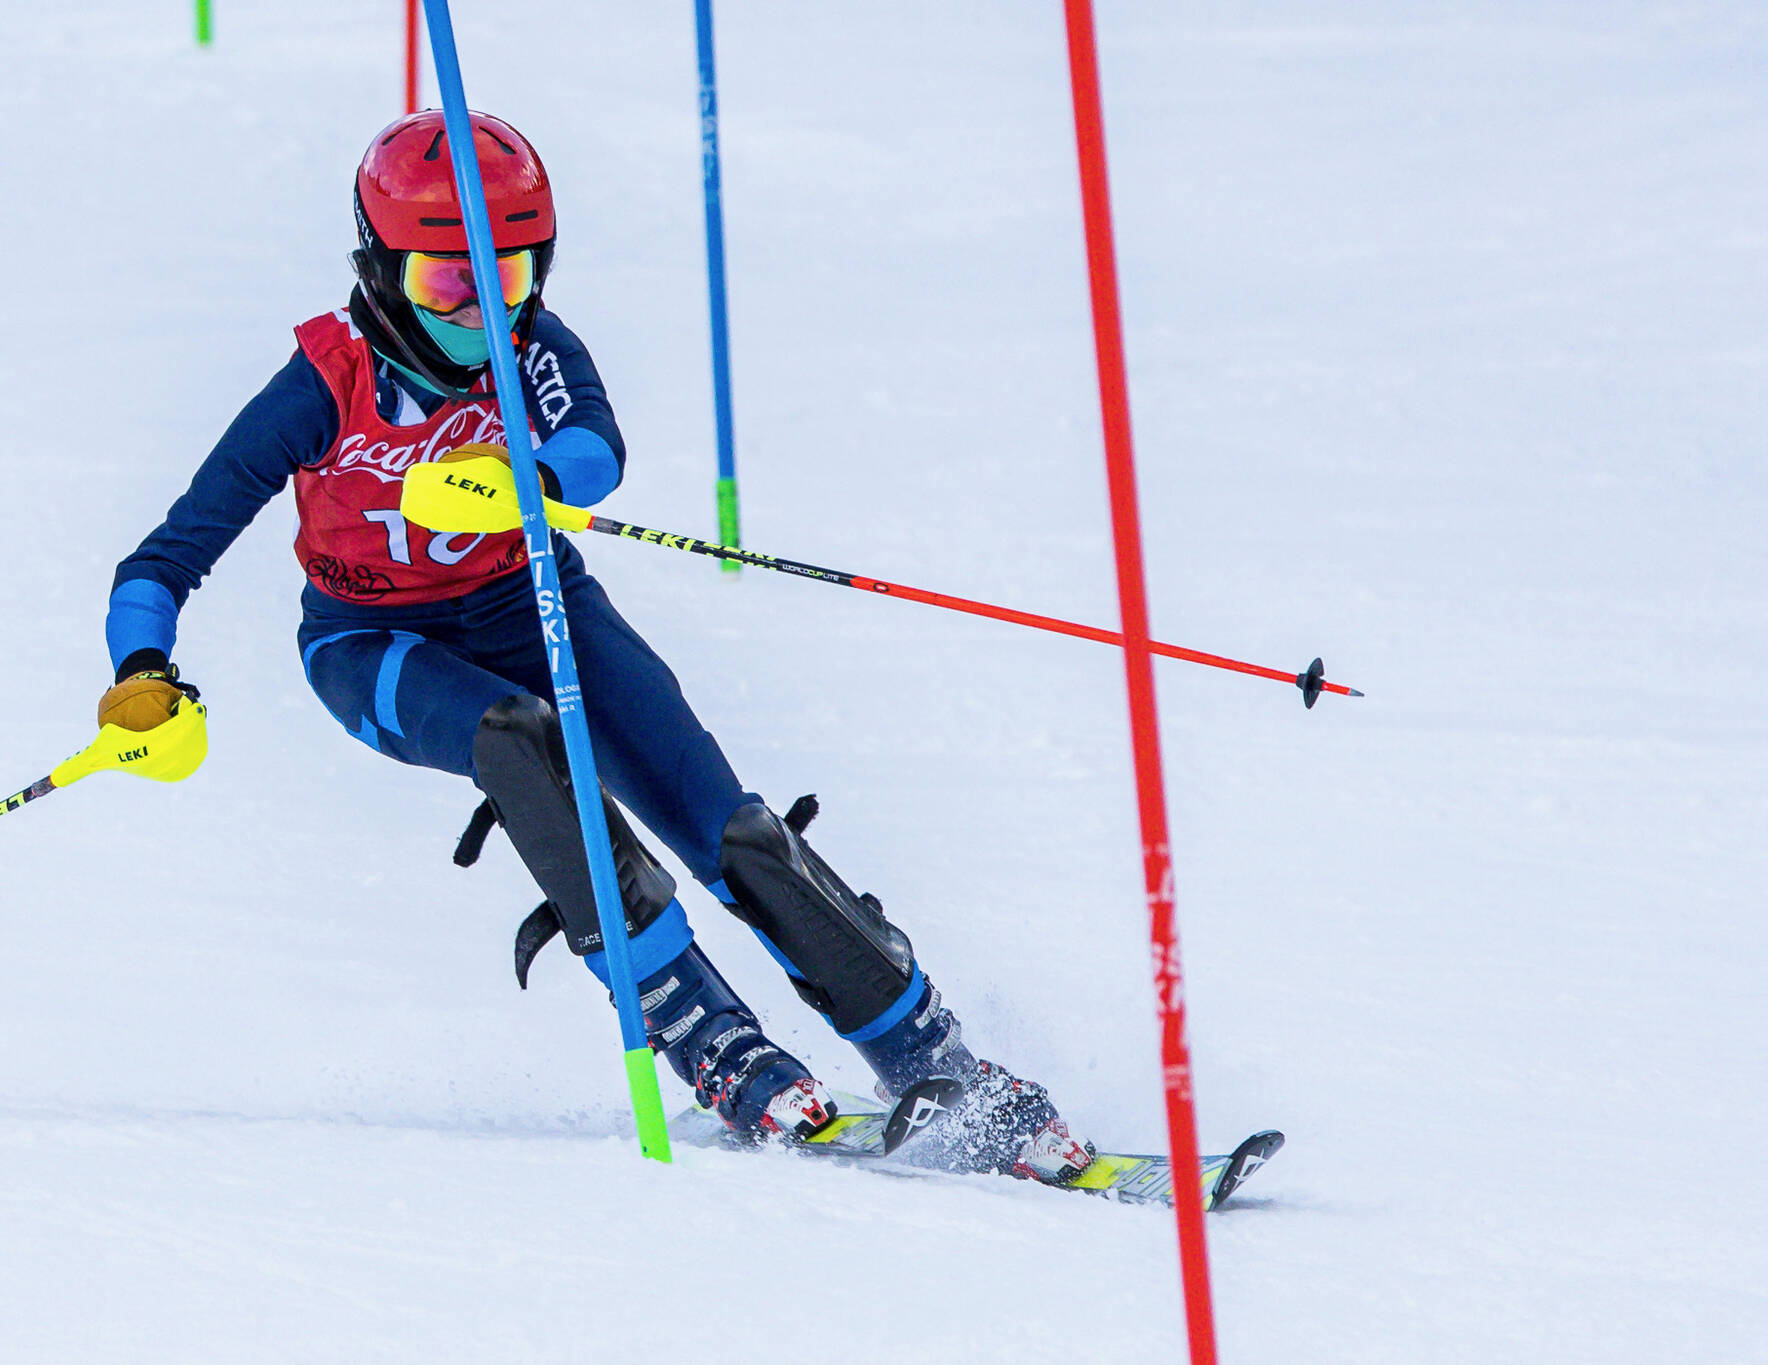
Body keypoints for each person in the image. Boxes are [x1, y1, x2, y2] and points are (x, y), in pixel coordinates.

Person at [98, 110, 1093, 1183]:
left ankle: (931, 1057)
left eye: (510, 274)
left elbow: (591, 446)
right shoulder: (319, 387)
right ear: (380, 268)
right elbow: (162, 558)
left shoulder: (533, 350)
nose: (483, 309)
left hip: (537, 608)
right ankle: (710, 1040)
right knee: (514, 740)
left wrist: (531, 487)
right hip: (371, 643)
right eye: (447, 284)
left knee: (736, 833)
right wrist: (142, 675)